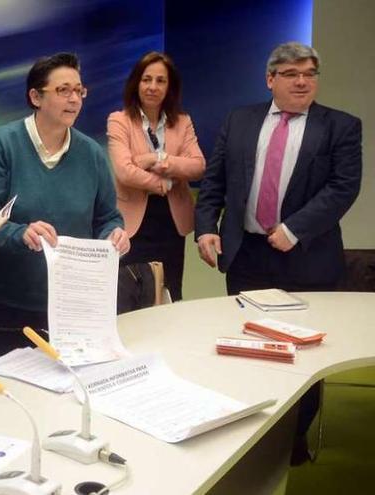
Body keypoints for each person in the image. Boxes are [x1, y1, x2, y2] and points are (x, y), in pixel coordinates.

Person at [195, 41, 362, 465]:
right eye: (291, 74)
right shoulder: (240, 120)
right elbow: (215, 180)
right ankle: (249, 433)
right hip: (247, 256)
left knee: (303, 355)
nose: (303, 81)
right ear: (271, 80)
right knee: (247, 347)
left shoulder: (340, 126)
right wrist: (204, 229)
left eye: (309, 73)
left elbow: (343, 188)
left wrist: (294, 229)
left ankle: (293, 438)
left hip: (307, 258)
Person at [0, 52, 129, 359]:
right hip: (6, 300)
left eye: (79, 90)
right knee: (16, 388)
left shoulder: (91, 153)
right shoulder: (1, 144)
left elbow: (107, 216)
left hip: (72, 301)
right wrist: (19, 233)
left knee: (67, 387)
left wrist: (115, 234)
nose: (74, 99)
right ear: (35, 97)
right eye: (62, 90)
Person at [107, 52, 205, 302]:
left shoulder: (182, 122)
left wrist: (157, 160)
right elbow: (125, 171)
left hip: (171, 223)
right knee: (131, 294)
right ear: (136, 83)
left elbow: (197, 166)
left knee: (170, 292)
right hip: (133, 224)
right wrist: (163, 184)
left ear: (169, 86)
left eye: (160, 81)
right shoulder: (119, 121)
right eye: (146, 79)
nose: (153, 87)